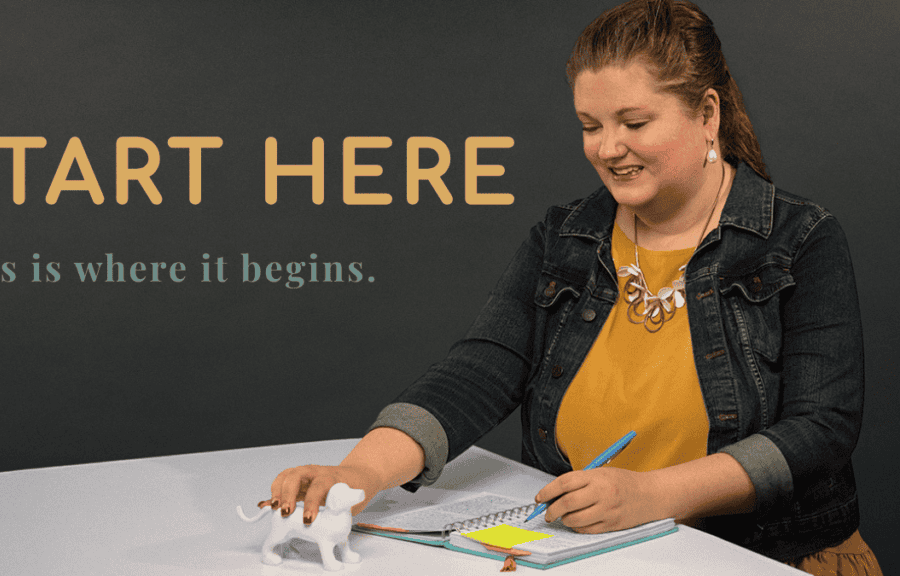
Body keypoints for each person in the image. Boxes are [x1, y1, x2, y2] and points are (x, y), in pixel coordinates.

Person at [267, 1, 880, 573]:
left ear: (708, 114)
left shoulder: (801, 239)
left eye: (634, 121)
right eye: (590, 125)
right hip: (592, 555)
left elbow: (820, 429)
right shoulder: (566, 237)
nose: (608, 148)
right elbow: (482, 367)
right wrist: (356, 474)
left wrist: (653, 494)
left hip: (765, 559)